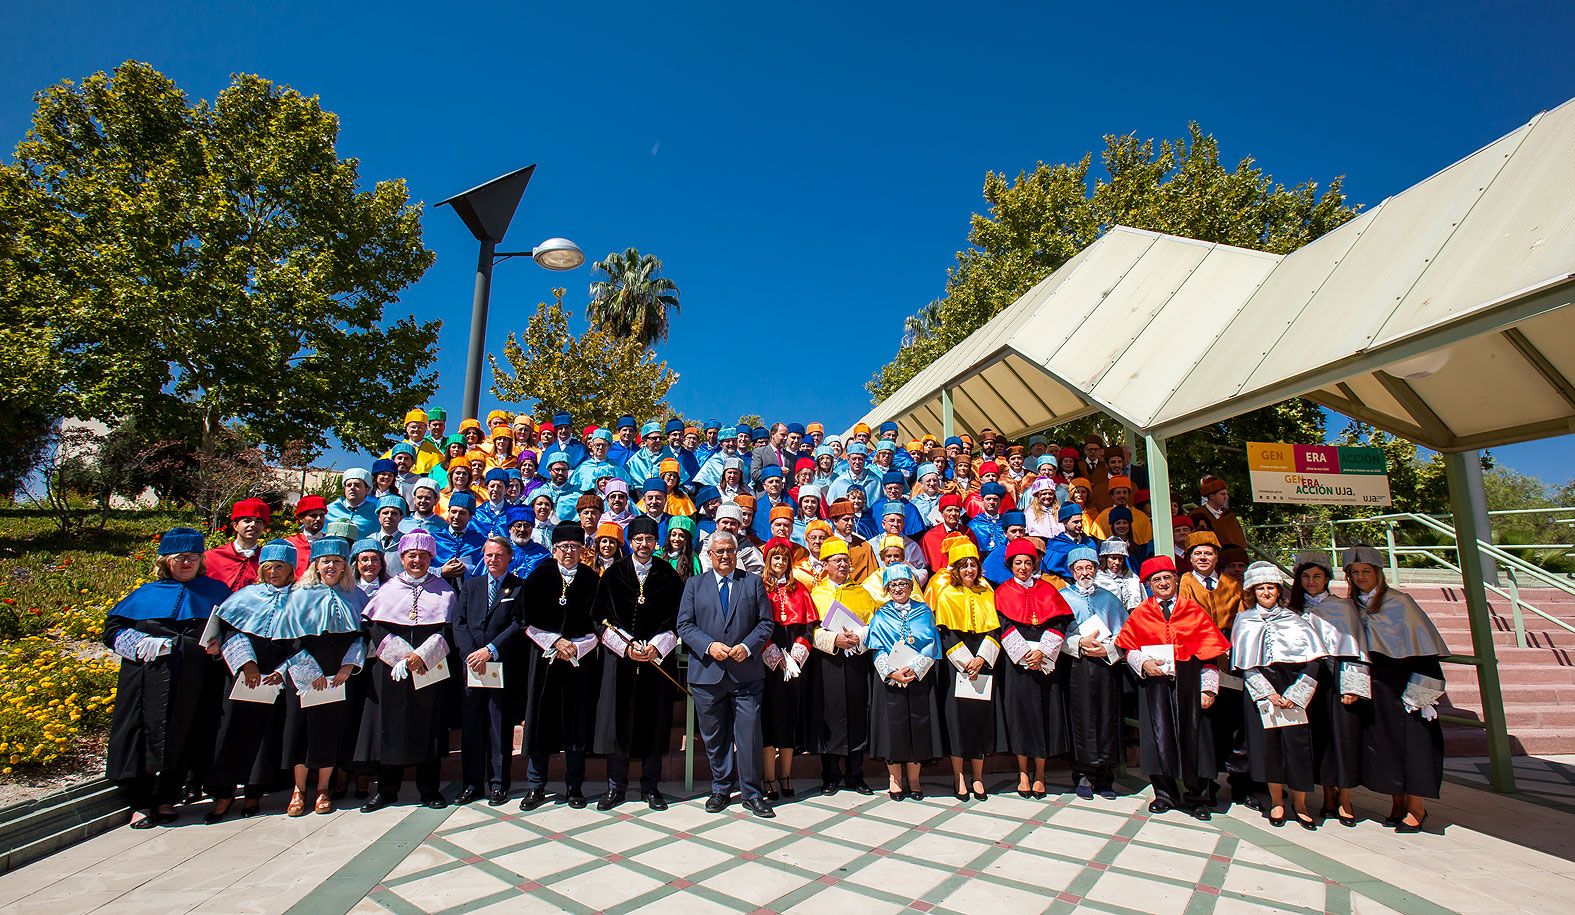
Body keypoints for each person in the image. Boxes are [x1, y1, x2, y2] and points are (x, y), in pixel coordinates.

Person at [104, 528, 231, 828]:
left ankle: (167, 797)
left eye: (193, 557)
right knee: (142, 734)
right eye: (179, 558)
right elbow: (112, 631)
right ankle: (141, 802)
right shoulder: (146, 594)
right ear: (166, 561)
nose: (186, 563)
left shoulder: (217, 592)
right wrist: (138, 643)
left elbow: (233, 630)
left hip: (197, 679)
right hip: (148, 680)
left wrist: (221, 643)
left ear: (202, 560)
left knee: (187, 732)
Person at [1344, 544, 1449, 833]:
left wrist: (1421, 696)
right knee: (1387, 745)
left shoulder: (1400, 602)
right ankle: (1397, 802)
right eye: (1355, 572)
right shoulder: (1353, 606)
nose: (1361, 577)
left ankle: (1416, 808)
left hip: (1405, 685)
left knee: (1414, 745)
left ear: (1378, 572)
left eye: (1366, 571)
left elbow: (1425, 653)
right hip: (1375, 687)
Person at [1116, 556, 1230, 820]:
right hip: (1155, 683)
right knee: (1158, 736)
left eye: (1167, 578)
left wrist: (1209, 690)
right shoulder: (1142, 613)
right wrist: (1143, 663)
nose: (1163, 583)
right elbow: (1127, 647)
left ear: (1176, 580)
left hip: (1189, 683)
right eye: (1157, 580)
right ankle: (1165, 793)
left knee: (1197, 737)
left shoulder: (1193, 610)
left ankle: (1199, 795)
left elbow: (1210, 654)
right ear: (1148, 585)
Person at [677, 531, 777, 818]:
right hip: (708, 674)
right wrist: (709, 646)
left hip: (746, 674)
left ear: (737, 553)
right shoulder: (695, 585)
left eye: (729, 551)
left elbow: (765, 623)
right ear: (710, 555)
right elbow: (684, 625)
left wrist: (747, 646)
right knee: (715, 736)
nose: (724, 556)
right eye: (718, 551)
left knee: (748, 735)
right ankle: (720, 788)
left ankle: (752, 792)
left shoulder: (753, 582)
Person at [355, 530, 456, 812]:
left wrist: (420, 656)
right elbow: (375, 626)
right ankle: (387, 790)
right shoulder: (388, 589)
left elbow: (448, 628)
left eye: (423, 556)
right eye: (412, 555)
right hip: (392, 668)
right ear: (402, 558)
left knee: (430, 725)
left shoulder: (445, 589)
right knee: (390, 726)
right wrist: (401, 656)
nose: (417, 561)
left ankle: (429, 789)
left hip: (429, 666)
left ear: (431, 559)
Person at [592, 516, 685, 811]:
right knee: (618, 722)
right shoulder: (613, 574)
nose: (643, 545)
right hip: (620, 662)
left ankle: (651, 787)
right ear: (630, 542)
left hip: (655, 664)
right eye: (638, 540)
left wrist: (656, 647)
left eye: (649, 540)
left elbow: (678, 620)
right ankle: (615, 786)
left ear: (656, 542)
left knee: (655, 723)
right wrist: (626, 647)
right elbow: (599, 619)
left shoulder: (668, 576)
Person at [202, 539, 300, 821]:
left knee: (267, 735)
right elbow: (231, 632)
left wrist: (282, 670)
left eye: (280, 567)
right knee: (230, 731)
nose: (273, 572)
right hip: (243, 675)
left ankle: (255, 793)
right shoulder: (245, 597)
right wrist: (247, 664)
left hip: (277, 676)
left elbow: (302, 640)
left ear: (291, 570)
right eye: (268, 567)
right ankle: (224, 793)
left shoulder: (299, 600)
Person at [1232, 562, 1329, 830]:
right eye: (1261, 588)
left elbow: (1314, 659)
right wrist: (1267, 693)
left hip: (1292, 684)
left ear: (1278, 591)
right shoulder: (1244, 619)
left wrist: (1297, 694)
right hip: (1262, 687)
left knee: (1297, 746)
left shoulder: (1294, 618)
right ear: (1253, 591)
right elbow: (1243, 663)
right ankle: (1276, 801)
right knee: (1269, 747)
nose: (1266, 592)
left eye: (1271, 588)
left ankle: (1300, 803)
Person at [280, 539, 368, 817]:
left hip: (339, 674)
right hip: (305, 672)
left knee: (331, 730)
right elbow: (288, 638)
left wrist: (348, 667)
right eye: (326, 561)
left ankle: (323, 788)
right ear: (316, 565)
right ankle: (298, 788)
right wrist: (309, 672)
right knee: (301, 730)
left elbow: (363, 636)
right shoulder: (298, 594)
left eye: (338, 561)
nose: (332, 566)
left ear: (345, 566)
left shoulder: (356, 595)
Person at [518, 523, 603, 811]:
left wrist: (575, 647)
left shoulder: (592, 580)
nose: (569, 552)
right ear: (554, 549)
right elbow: (526, 619)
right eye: (564, 547)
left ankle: (574, 786)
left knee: (576, 723)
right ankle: (536, 786)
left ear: (583, 551)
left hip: (579, 663)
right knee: (541, 720)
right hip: (545, 662)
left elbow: (599, 624)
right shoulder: (539, 577)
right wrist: (555, 642)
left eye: (575, 547)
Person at [1288, 550, 1369, 827]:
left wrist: (1354, 685)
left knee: (1342, 736)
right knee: (1316, 736)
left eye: (1317, 577)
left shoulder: (1343, 607)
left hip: (1337, 675)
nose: (1311, 582)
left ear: (1326, 579)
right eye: (1306, 576)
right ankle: (1325, 793)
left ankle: (1344, 796)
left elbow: (1356, 647)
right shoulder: (1293, 609)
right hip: (1307, 678)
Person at [1178, 530, 1253, 810]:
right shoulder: (1184, 583)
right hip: (1196, 657)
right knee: (1203, 724)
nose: (1203, 558)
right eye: (1197, 553)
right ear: (1189, 557)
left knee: (1235, 723)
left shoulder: (1232, 585)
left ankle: (1241, 784)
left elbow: (1243, 619)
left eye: (1208, 553)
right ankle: (1203, 785)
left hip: (1229, 656)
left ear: (1216, 557)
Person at [995, 538, 1075, 799]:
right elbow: (1003, 625)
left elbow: (1060, 622)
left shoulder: (1048, 590)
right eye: (1018, 563)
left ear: (1035, 564)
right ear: (1010, 565)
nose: (1023, 567)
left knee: (1044, 714)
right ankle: (1022, 772)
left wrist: (1043, 651)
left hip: (1044, 661)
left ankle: (1040, 773)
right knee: (1019, 716)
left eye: (1028, 562)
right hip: (1017, 662)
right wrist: (1024, 653)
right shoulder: (1002, 592)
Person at [448, 537, 525, 807]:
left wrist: (490, 650)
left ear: (509, 557)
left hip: (500, 665)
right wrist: (472, 654)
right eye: (489, 555)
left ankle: (498, 783)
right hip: (472, 666)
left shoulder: (518, 587)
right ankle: (471, 783)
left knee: (498, 725)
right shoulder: (472, 586)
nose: (493, 560)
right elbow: (459, 622)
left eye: (499, 555)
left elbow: (518, 624)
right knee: (472, 726)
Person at [931, 541, 1004, 802]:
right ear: (956, 570)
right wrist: (965, 661)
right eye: (964, 566)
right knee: (957, 718)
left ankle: (979, 776)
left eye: (973, 564)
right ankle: (959, 776)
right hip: (958, 663)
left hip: (982, 660)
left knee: (980, 717)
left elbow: (995, 629)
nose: (970, 569)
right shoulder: (947, 594)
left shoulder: (988, 593)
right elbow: (946, 633)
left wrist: (982, 658)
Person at [865, 564, 944, 800]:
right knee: (893, 729)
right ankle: (895, 778)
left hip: (917, 677)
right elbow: (876, 648)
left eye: (904, 584)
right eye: (894, 585)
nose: (899, 589)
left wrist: (916, 668)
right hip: (891, 680)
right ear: (887, 589)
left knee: (917, 727)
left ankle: (914, 778)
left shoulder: (924, 611)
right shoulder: (881, 614)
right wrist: (891, 672)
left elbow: (931, 644)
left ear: (911, 586)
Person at [808, 539, 879, 796]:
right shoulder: (816, 594)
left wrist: (860, 637)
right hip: (828, 662)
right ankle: (830, 775)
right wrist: (834, 640)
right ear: (825, 564)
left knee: (857, 713)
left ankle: (855, 774)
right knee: (828, 715)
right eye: (837, 561)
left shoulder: (862, 592)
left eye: (846, 560)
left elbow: (874, 625)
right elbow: (809, 630)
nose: (843, 565)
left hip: (856, 660)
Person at [1059, 547, 1130, 800]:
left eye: (1089, 567)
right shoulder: (1063, 597)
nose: (1085, 572)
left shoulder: (1109, 599)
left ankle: (1105, 777)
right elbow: (1058, 634)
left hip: (1105, 666)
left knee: (1107, 717)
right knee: (1082, 719)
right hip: (1077, 665)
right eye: (1079, 568)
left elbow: (1124, 634)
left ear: (1096, 569)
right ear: (1071, 572)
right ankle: (1083, 774)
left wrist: (1108, 649)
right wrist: (1078, 643)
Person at [758, 537, 817, 800]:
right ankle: (768, 777)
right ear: (768, 561)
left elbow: (809, 626)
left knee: (788, 719)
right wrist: (772, 654)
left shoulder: (800, 589)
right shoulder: (759, 588)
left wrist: (797, 653)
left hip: (793, 661)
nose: (780, 563)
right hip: (768, 661)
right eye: (775, 558)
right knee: (769, 720)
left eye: (784, 558)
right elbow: (754, 624)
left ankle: (786, 775)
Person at [205, 498, 271, 592]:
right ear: (235, 525)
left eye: (258, 522)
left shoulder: (266, 561)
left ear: (263, 527)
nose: (253, 525)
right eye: (247, 521)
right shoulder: (211, 558)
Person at [1192, 475, 1247, 551]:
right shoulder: (1197, 514)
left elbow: (1239, 541)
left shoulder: (1230, 516)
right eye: (1222, 494)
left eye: (1226, 494)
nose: (1226, 497)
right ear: (1211, 496)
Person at [327, 468, 378, 539]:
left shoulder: (375, 513)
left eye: (357, 485)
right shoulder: (329, 510)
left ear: (367, 490)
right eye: (349, 485)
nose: (352, 488)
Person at [1095, 539, 1143, 610]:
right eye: (1113, 558)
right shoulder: (1098, 579)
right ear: (1105, 558)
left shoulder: (1132, 577)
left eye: (1120, 559)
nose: (1117, 562)